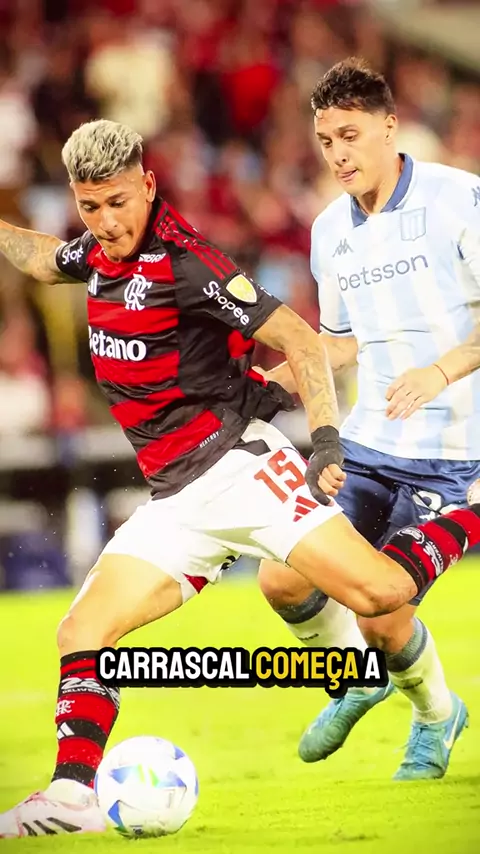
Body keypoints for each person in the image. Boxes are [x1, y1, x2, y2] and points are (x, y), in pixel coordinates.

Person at [1, 119, 480, 837]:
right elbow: (44, 260)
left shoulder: (189, 264)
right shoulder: (97, 253)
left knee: (382, 594)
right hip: (176, 499)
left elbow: (301, 341)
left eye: (119, 203)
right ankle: (72, 796)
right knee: (82, 630)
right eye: (90, 206)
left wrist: (324, 441)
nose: (106, 222)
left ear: (148, 186)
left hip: (240, 468)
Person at [257, 57, 480, 781]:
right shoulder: (329, 230)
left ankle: (436, 717)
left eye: (350, 136)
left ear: (390, 127)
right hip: (366, 443)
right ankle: (357, 676)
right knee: (282, 578)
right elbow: (341, 343)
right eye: (326, 141)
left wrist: (440, 371)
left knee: (382, 612)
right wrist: (270, 384)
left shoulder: (458, 199)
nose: (338, 155)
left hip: (455, 458)